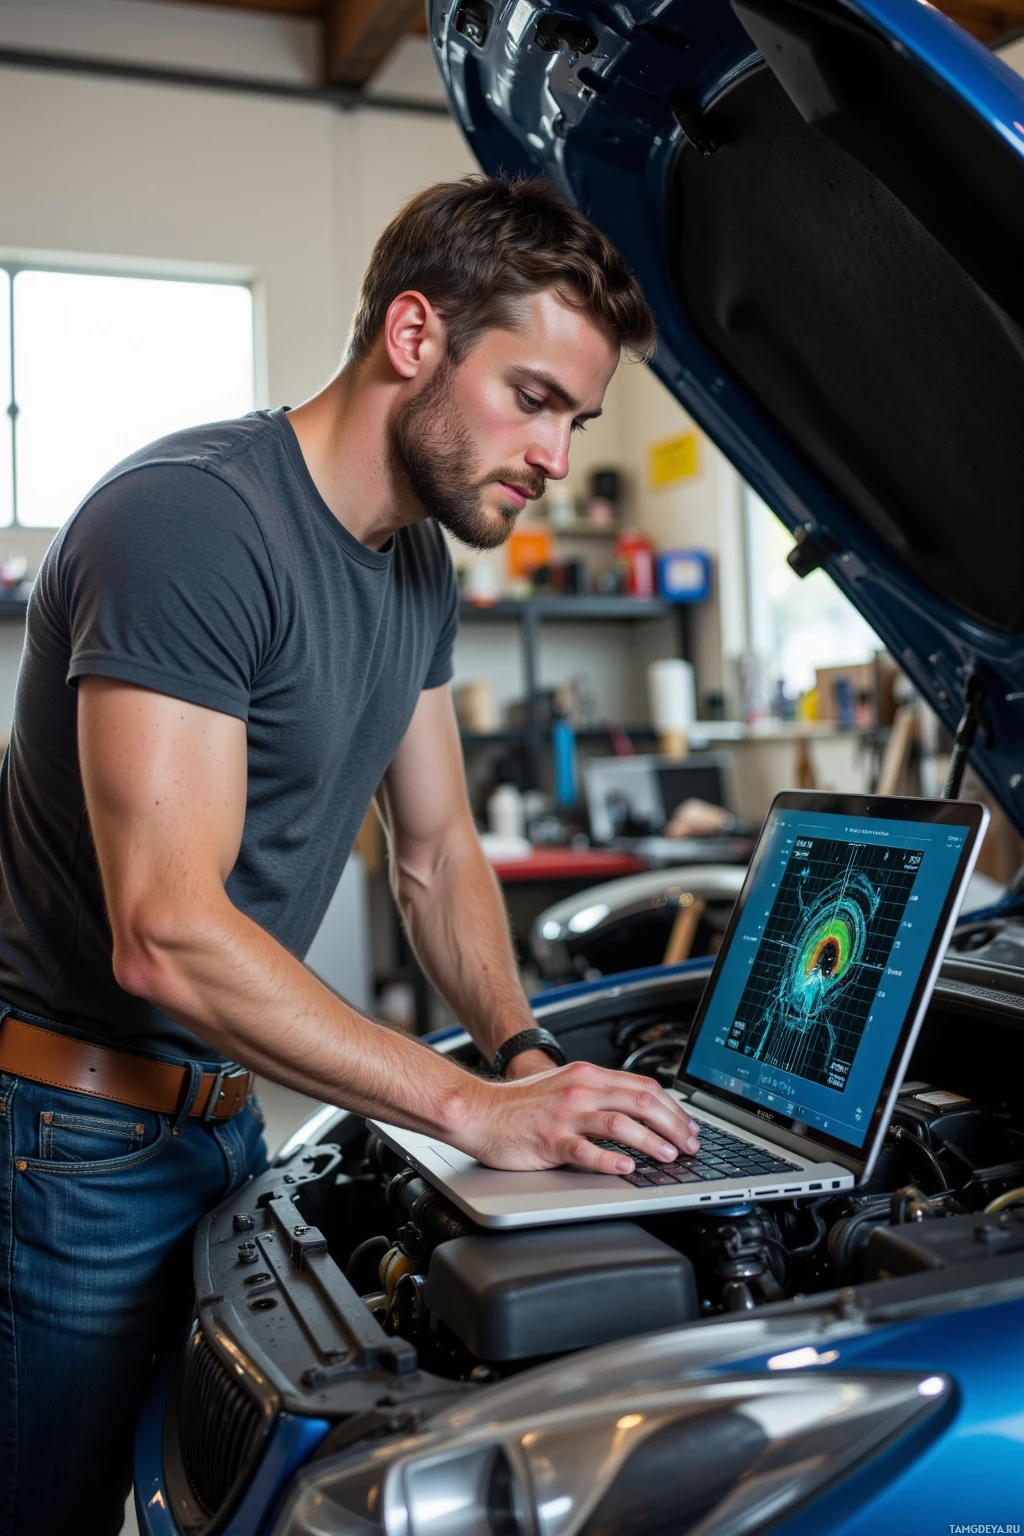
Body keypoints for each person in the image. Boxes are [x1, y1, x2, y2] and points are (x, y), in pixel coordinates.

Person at [0, 175, 701, 1535]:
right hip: (66, 1140)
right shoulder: (194, 523)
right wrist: (460, 1104)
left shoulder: (415, 566)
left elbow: (437, 855)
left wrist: (521, 1053)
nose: (557, 458)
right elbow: (165, 930)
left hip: (217, 1121)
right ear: (415, 335)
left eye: (578, 418)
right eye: (535, 399)